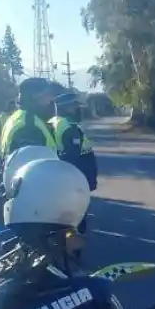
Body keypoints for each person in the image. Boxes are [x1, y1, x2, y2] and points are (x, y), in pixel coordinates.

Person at [49, 92, 98, 234]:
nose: (78, 110)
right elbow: (72, 156)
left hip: (64, 178)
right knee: (77, 216)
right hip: (75, 179)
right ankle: (73, 249)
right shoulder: (69, 127)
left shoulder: (54, 121)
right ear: (64, 108)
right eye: (74, 107)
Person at [0, 77, 58, 167]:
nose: (50, 100)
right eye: (47, 95)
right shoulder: (29, 125)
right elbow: (32, 168)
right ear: (35, 97)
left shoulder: (16, 117)